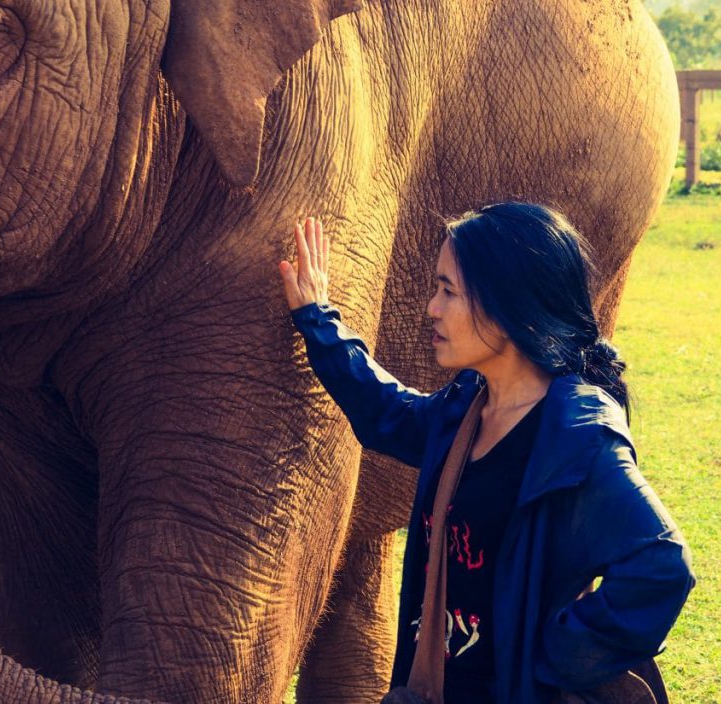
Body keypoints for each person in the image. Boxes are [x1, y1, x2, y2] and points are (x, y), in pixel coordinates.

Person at [277, 204, 694, 704]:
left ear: (507, 304)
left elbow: (662, 566)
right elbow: (387, 412)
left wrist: (553, 656)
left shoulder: (576, 435)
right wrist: (317, 321)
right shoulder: (467, 410)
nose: (432, 307)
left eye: (448, 291)